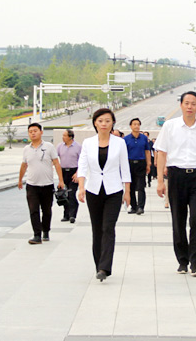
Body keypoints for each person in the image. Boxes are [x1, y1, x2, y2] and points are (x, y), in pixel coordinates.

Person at [155, 91, 196, 277]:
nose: (190, 106)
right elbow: (161, 153)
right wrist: (160, 181)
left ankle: (195, 261)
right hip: (176, 176)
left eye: (194, 103)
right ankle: (182, 260)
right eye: (187, 103)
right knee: (178, 220)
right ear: (181, 105)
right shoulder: (170, 126)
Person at [77, 108, 132, 282]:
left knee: (108, 228)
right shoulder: (88, 143)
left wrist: (127, 191)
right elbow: (83, 166)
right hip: (94, 190)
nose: (104, 124)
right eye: (101, 121)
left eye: (108, 121)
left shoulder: (119, 143)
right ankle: (98, 265)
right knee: (97, 229)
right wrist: (81, 187)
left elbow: (125, 168)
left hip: (114, 190)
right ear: (95, 123)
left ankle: (105, 267)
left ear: (112, 123)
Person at [18, 123, 65, 245]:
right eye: (30, 131)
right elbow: (24, 165)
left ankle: (46, 231)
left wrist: (61, 180)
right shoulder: (26, 149)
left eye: (35, 131)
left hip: (47, 185)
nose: (33, 133)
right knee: (33, 210)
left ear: (41, 132)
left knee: (47, 210)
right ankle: (37, 235)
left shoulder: (49, 147)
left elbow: (56, 163)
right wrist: (20, 180)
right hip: (32, 185)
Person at [124, 118, 151, 215]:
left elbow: (147, 151)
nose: (136, 126)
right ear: (130, 126)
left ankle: (141, 207)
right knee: (131, 187)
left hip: (141, 163)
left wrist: (148, 164)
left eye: (138, 124)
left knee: (141, 186)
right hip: (129, 164)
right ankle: (134, 207)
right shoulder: (126, 139)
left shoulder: (144, 138)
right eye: (134, 124)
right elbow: (123, 154)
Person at [56, 129, 82, 223]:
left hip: (74, 172)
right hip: (63, 172)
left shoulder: (78, 147)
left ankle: (72, 215)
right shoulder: (60, 146)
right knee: (63, 194)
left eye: (64, 135)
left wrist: (77, 173)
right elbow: (55, 159)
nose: (63, 137)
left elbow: (82, 161)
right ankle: (66, 215)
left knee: (71, 193)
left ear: (70, 137)